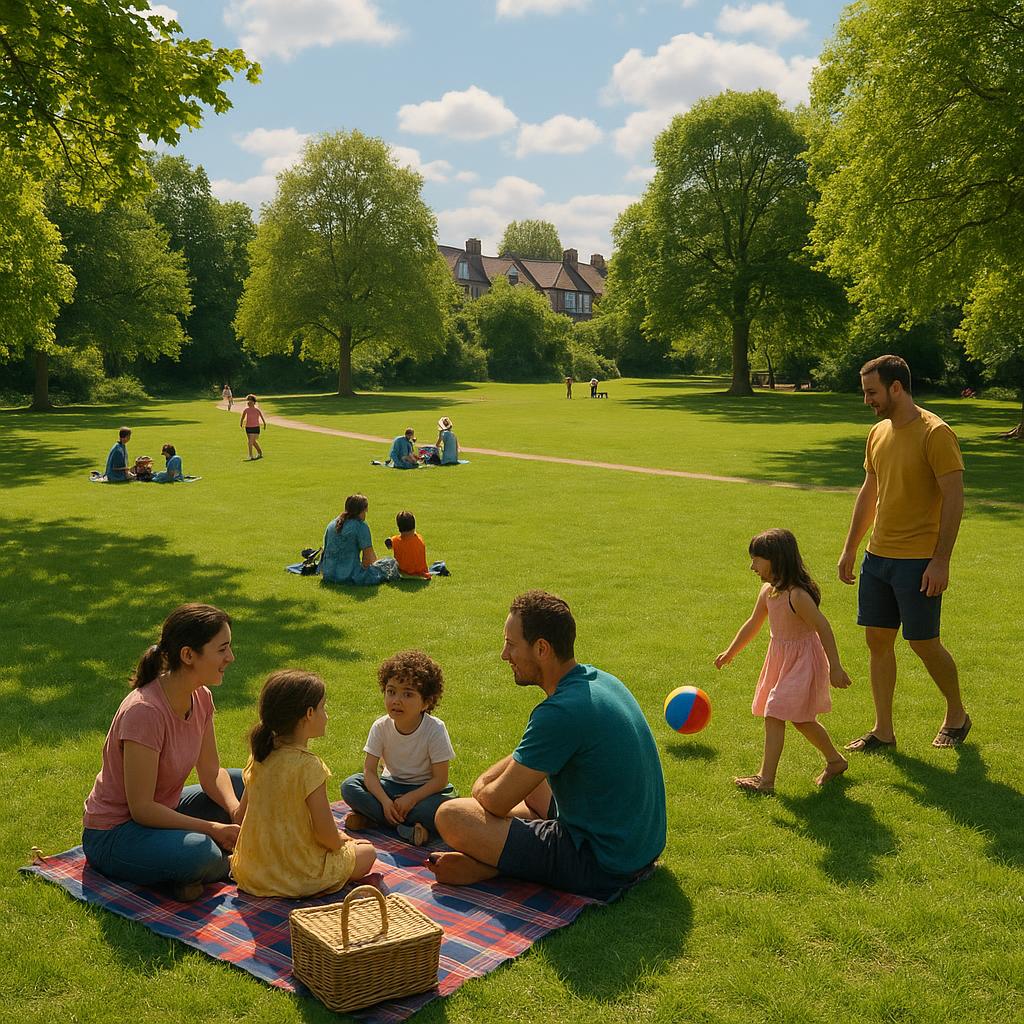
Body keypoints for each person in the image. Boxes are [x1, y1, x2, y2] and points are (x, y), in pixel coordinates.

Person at [427, 590, 666, 898]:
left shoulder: (561, 712)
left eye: (511, 645)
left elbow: (493, 801)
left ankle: (495, 865)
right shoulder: (600, 680)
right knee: (532, 784)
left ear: (541, 648)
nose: (504, 655)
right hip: (639, 846)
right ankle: (499, 859)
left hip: (602, 864)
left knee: (452, 816)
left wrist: (482, 783)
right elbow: (531, 763)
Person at [838, 355, 968, 752]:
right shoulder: (877, 433)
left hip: (918, 560)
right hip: (878, 558)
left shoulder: (936, 433)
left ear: (897, 387)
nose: (867, 401)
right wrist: (850, 547)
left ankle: (957, 715)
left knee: (923, 642)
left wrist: (941, 559)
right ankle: (883, 731)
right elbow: (869, 492)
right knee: (878, 641)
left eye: (872, 392)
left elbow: (954, 498)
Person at [82, 604, 244, 901]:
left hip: (164, 810)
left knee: (241, 783)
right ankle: (224, 865)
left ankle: (189, 872)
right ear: (188, 655)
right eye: (222, 649)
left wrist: (235, 810)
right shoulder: (144, 712)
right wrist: (212, 828)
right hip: (116, 833)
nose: (230, 658)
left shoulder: (201, 697)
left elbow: (211, 773)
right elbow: (141, 808)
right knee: (200, 852)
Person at [715, 529, 853, 794]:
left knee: (775, 711)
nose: (752, 566)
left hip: (803, 662)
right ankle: (836, 761)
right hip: (781, 660)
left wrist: (835, 666)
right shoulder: (768, 591)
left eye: (757, 559)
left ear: (777, 559)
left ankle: (765, 780)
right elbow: (753, 624)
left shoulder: (797, 596)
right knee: (800, 720)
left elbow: (823, 628)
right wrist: (731, 652)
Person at [231, 670, 377, 897]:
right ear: (309, 713)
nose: (326, 715)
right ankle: (318, 886)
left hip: (254, 874)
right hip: (299, 876)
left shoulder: (260, 756)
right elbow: (326, 836)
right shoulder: (309, 767)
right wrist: (345, 842)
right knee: (367, 852)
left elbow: (240, 816)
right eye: (323, 707)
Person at [342, 651, 456, 846]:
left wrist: (411, 799)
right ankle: (406, 828)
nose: (396, 700)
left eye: (408, 694)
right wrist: (386, 802)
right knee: (350, 786)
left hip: (425, 793)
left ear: (426, 702)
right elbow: (369, 771)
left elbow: (440, 779)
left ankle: (374, 819)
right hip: (390, 787)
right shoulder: (380, 726)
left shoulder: (435, 729)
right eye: (391, 691)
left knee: (446, 811)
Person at [320, 494, 396, 585]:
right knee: (389, 563)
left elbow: (325, 550)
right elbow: (369, 560)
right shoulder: (360, 526)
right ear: (362, 511)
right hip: (349, 576)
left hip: (328, 573)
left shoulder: (332, 524)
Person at [384, 510, 431, 579]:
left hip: (403, 572)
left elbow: (388, 545)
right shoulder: (419, 538)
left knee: (387, 562)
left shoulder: (396, 540)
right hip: (422, 572)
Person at [240, 394, 267, 460]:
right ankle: (260, 452)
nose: (249, 402)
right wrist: (241, 423)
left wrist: (264, 424)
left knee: (250, 442)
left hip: (255, 427)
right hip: (248, 427)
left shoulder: (257, 410)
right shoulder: (246, 410)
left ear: (254, 402)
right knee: (253, 441)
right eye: (248, 401)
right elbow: (243, 417)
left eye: (250, 401)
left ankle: (250, 455)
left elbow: (262, 418)